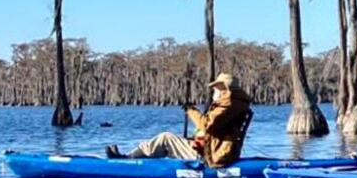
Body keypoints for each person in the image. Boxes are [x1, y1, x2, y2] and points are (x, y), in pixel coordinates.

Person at [107, 72, 252, 167]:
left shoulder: (228, 105)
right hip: (214, 147)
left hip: (212, 153)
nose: (214, 91)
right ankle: (131, 158)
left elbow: (207, 125)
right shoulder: (235, 104)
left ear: (223, 88)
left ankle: (127, 161)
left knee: (165, 138)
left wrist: (191, 111)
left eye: (216, 88)